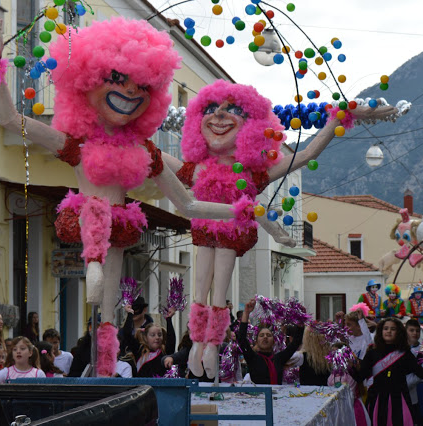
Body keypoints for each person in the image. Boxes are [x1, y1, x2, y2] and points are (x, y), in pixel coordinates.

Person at [0, 12, 240, 375]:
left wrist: (238, 210)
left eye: (142, 84)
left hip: (118, 224)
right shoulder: (78, 144)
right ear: (86, 82)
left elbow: (188, 201)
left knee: (107, 310)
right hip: (88, 216)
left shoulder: (144, 151)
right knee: (97, 237)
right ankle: (92, 264)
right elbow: (11, 121)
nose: (131, 90)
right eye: (117, 78)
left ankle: (104, 368)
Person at [167, 80, 392, 378]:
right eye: (210, 109)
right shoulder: (197, 169)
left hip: (231, 233)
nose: (219, 117)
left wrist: (338, 120)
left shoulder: (250, 173)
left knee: (218, 292)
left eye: (232, 110)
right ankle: (197, 341)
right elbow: (161, 163)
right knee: (200, 290)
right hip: (205, 229)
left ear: (251, 127)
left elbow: (305, 155)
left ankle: (211, 344)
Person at [354, 317, 423, 426]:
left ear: (399, 332)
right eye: (385, 328)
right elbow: (359, 377)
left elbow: (422, 374)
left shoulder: (405, 353)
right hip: (377, 400)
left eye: (393, 329)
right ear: (381, 331)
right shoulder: (372, 354)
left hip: (399, 400)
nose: (388, 331)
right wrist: (349, 366)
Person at [237, 298, 303, 384]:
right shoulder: (252, 357)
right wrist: (246, 313)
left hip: (276, 396)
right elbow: (242, 339)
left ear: (273, 341)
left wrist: (300, 320)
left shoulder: (279, 358)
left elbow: (295, 343)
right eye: (261, 335)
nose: (265, 337)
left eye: (268, 335)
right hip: (259, 396)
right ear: (256, 341)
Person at [132, 309, 176, 377]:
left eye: (159, 335)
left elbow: (171, 341)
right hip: (142, 386)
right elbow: (127, 335)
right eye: (152, 335)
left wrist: (169, 319)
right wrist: (129, 314)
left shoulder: (164, 353)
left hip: (160, 386)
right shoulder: (139, 351)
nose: (157, 337)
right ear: (146, 338)